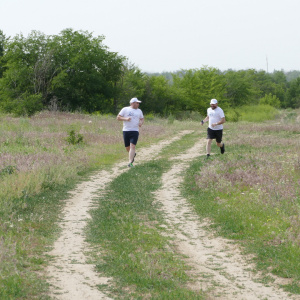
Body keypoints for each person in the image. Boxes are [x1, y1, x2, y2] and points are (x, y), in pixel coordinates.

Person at [117, 97, 144, 167]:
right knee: (127, 147)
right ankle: (132, 154)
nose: (138, 104)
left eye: (138, 103)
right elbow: (118, 117)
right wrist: (126, 118)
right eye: (137, 103)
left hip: (135, 130)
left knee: (132, 146)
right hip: (126, 130)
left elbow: (142, 118)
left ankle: (130, 162)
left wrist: (141, 122)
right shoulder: (125, 109)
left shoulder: (139, 111)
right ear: (133, 103)